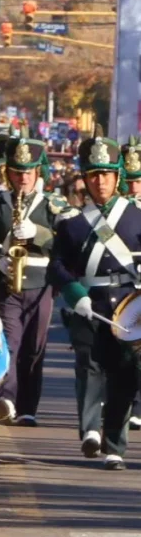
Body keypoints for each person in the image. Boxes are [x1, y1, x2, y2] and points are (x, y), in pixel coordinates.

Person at [47, 128, 141, 470]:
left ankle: (115, 444)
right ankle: (89, 431)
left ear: (117, 176)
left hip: (129, 309)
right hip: (89, 305)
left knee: (124, 375)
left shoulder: (136, 218)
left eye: (106, 174)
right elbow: (56, 267)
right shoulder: (73, 224)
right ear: (84, 179)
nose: (100, 182)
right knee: (89, 367)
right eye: (93, 175)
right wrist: (75, 294)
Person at [0, 129, 66, 426]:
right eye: (17, 172)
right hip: (7, 283)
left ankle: (28, 407)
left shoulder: (53, 205)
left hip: (41, 282)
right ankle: (5, 397)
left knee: (34, 347)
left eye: (28, 172)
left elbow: (68, 243)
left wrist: (40, 234)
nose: (23, 178)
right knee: (10, 342)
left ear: (38, 171)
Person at [121, 136, 141, 430]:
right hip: (122, 286)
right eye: (130, 180)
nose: (135, 186)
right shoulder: (116, 210)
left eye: (139, 179)